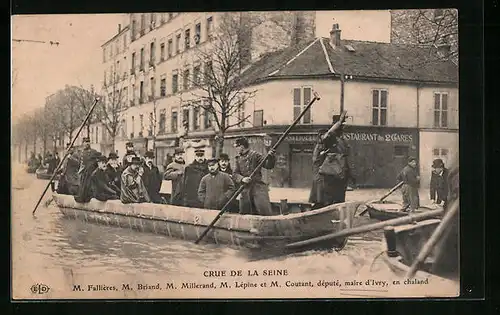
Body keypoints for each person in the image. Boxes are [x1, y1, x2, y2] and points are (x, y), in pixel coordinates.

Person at [309, 112, 354, 208]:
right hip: (329, 176)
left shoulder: (341, 140)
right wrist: (339, 122)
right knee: (324, 200)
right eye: (342, 125)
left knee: (337, 199)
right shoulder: (330, 139)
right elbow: (328, 135)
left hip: (339, 175)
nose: (344, 128)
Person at [232, 137, 276, 216]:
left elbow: (268, 165)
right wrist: (242, 179)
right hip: (245, 189)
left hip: (258, 187)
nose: (236, 149)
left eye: (237, 147)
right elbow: (235, 174)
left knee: (264, 211)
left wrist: (271, 157)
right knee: (244, 213)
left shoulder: (255, 155)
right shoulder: (238, 159)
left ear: (241, 147)